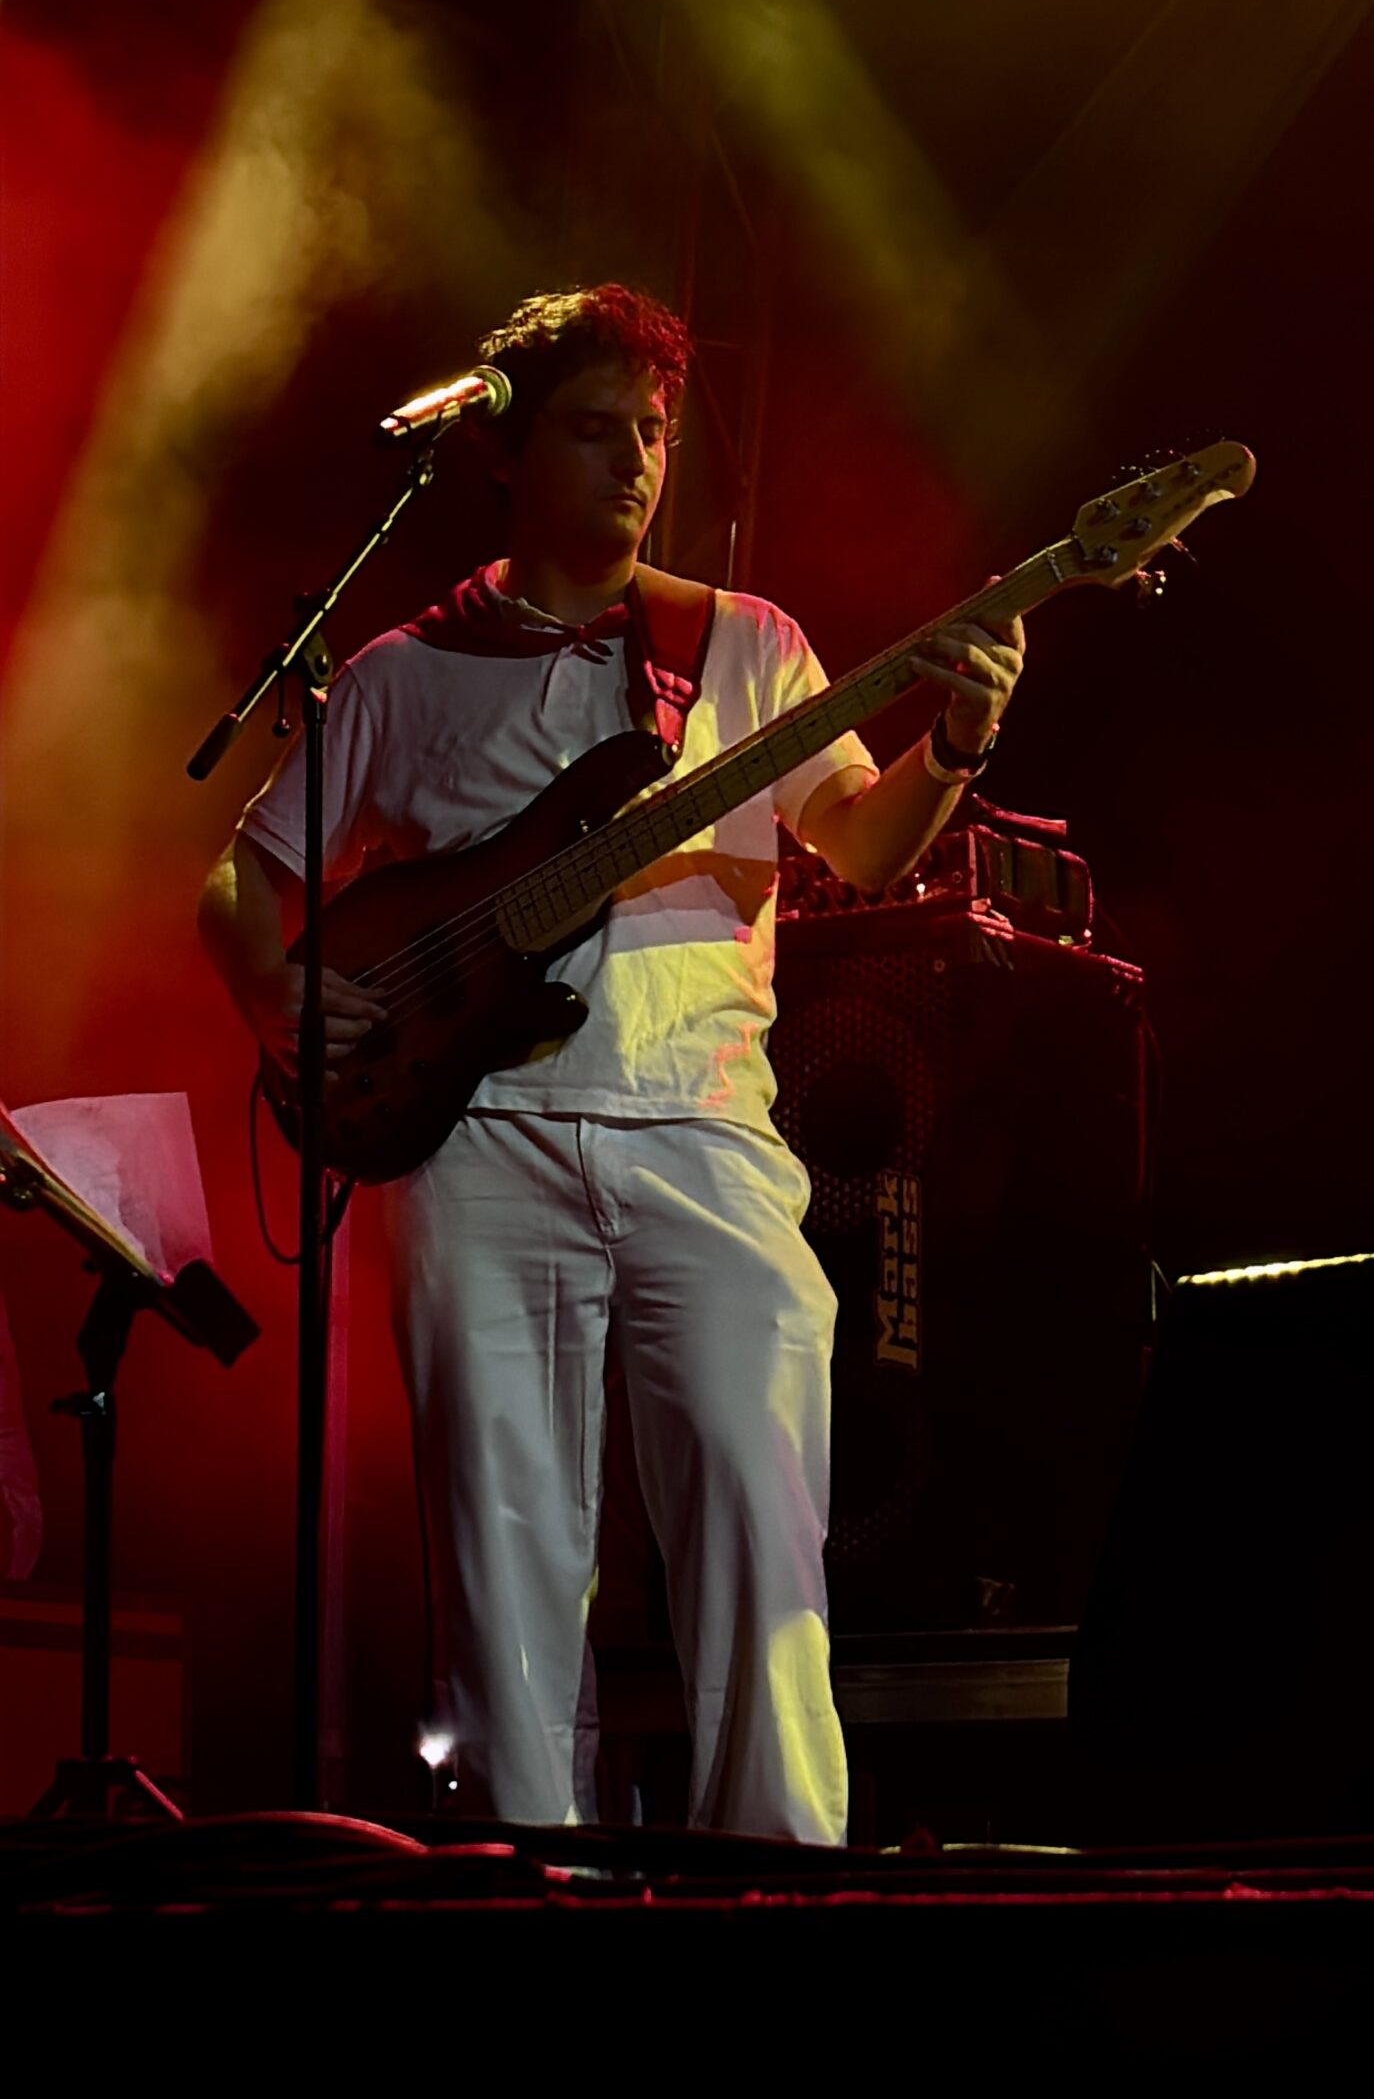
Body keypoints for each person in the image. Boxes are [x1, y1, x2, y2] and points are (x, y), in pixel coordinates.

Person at [198, 284, 1024, 1843]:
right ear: (505, 452)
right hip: (476, 1142)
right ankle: (525, 1888)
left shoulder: (748, 644)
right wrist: (275, 998)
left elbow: (863, 842)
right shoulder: (397, 672)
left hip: (703, 1133)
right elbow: (246, 875)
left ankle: (781, 1877)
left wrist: (957, 744)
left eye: (652, 432)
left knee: (762, 1530)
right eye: (596, 429)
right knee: (502, 1554)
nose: (638, 461)